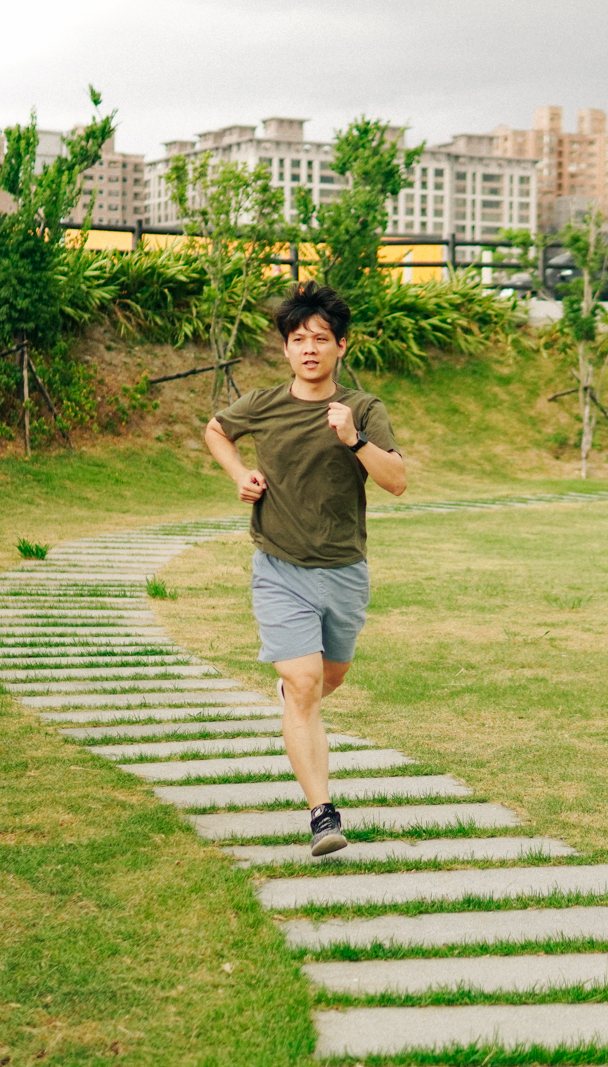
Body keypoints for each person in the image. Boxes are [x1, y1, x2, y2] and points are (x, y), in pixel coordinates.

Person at [204, 282, 407, 856]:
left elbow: (396, 481)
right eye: (298, 339)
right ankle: (323, 814)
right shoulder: (263, 404)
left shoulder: (362, 409)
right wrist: (240, 475)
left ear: (341, 346)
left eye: (321, 338)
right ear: (286, 348)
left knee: (327, 679)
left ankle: (296, 692)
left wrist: (354, 439)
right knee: (303, 684)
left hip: (344, 570)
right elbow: (217, 430)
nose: (309, 348)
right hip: (279, 565)